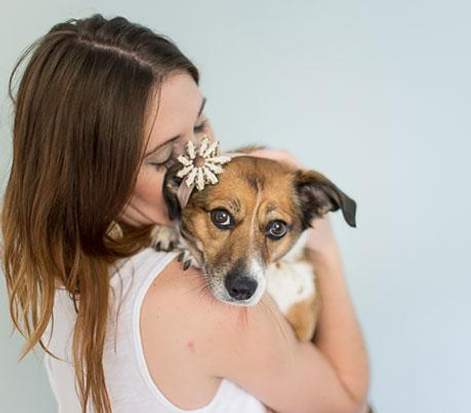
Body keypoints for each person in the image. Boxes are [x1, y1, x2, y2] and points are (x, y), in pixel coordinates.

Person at [1, 14, 370, 413]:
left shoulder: (50, 262)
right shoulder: (211, 305)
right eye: (164, 158)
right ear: (93, 176)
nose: (202, 162)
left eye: (199, 123)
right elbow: (347, 404)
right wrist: (325, 248)